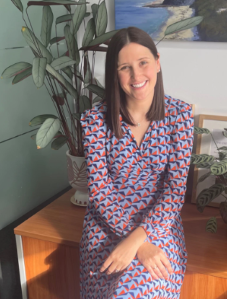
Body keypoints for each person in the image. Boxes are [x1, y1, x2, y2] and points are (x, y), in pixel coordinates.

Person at [79, 26, 194, 299]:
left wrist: (139, 238)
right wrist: (137, 244)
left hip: (159, 221)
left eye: (143, 63)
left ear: (157, 62)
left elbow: (175, 191)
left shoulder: (180, 115)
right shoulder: (95, 121)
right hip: (107, 223)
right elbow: (100, 193)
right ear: (114, 74)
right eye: (125, 67)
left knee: (140, 285)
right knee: (114, 285)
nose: (136, 75)